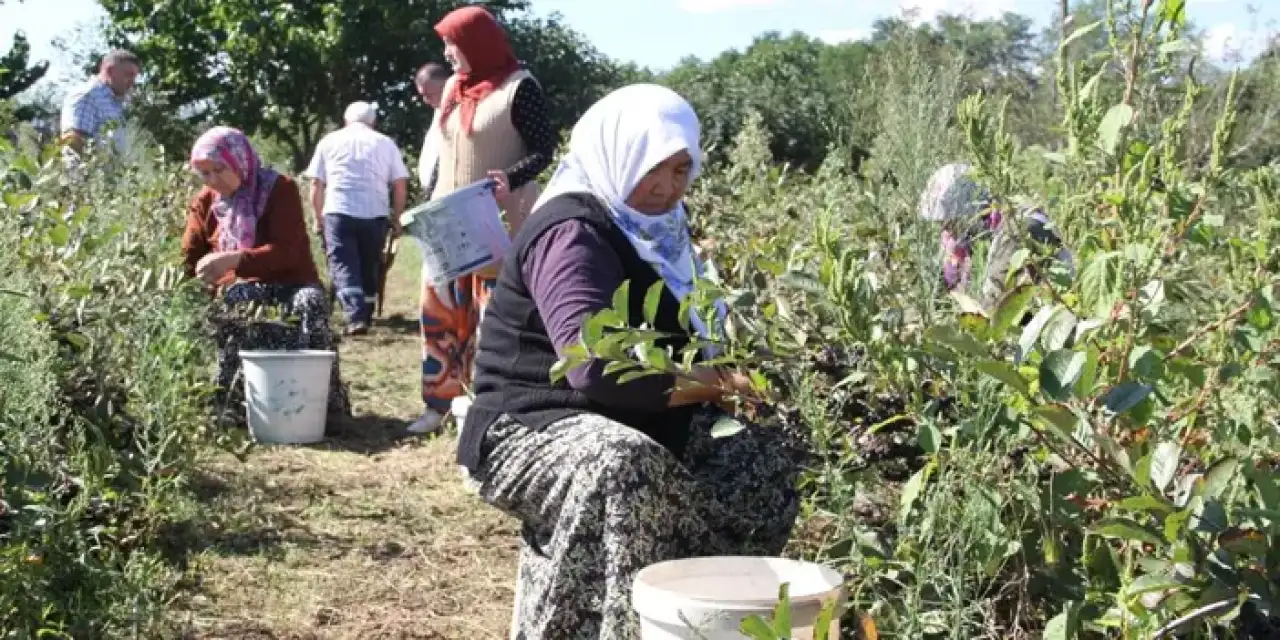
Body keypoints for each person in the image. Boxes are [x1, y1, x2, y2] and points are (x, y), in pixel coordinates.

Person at [457, 84, 801, 639]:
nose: (666, 188)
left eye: (681, 170)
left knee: (762, 462)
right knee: (621, 465)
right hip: (528, 423)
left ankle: (702, 618)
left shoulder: (663, 234)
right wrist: (721, 383)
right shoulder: (571, 231)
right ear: (618, 154)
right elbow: (594, 367)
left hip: (640, 420)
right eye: (652, 169)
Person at [409, 5, 556, 434]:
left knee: (493, 316)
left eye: (453, 45)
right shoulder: (454, 86)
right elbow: (444, 147)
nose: (449, 54)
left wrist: (510, 178)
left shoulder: (518, 87)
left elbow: (543, 150)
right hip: (447, 218)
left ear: (477, 43)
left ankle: (489, 408)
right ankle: (438, 403)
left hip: (498, 219)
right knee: (439, 313)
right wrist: (427, 198)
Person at [182, 126, 351, 422]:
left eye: (218, 170)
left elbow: (289, 251)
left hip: (290, 282)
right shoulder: (207, 201)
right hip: (240, 287)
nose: (212, 181)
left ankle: (323, 407)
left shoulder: (279, 189)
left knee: (311, 302)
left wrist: (236, 259)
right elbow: (190, 254)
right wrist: (191, 283)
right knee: (238, 297)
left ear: (238, 161)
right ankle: (232, 405)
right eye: (204, 173)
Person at [303, 101, 410, 335]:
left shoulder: (329, 141)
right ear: (373, 122)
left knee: (343, 262)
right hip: (375, 212)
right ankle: (365, 312)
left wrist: (316, 217)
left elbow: (316, 183)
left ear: (345, 121)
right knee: (370, 262)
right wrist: (397, 217)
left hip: (338, 210)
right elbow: (400, 184)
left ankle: (355, 315)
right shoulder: (385, 143)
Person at [919, 162, 1074, 309]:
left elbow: (992, 307)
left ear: (970, 211)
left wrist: (955, 295)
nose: (948, 233)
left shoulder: (1016, 231)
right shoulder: (997, 222)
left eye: (951, 223)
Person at [59, 49, 140, 161]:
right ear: (110, 71)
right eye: (128, 75)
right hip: (88, 177)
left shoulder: (114, 102)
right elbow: (72, 142)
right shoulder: (88, 95)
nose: (132, 82)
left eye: (134, 77)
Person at [414, 62, 451, 187]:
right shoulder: (438, 111)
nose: (425, 100)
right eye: (423, 95)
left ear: (445, 86)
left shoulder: (457, 111)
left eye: (429, 95)